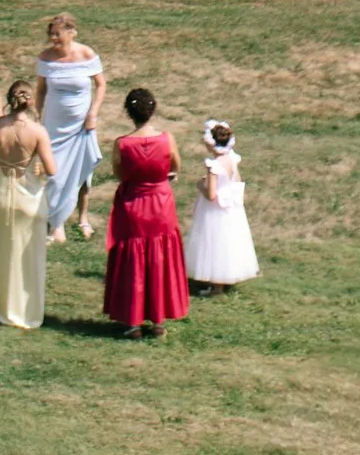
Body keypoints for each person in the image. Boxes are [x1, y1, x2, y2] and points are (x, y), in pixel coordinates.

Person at [102, 86, 189, 338]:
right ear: (152, 110)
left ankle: (132, 321)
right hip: (161, 205)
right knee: (159, 258)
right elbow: (176, 165)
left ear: (129, 113)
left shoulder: (122, 144)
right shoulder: (167, 138)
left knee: (133, 262)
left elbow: (120, 174)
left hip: (134, 205)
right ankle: (159, 319)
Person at [0, 75, 55, 330]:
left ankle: (6, 310)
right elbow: (52, 169)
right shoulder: (37, 132)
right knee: (31, 257)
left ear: (9, 100)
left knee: (5, 256)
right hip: (29, 200)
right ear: (29, 103)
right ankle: (29, 312)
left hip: (1, 198)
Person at [34, 10, 106, 243]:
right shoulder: (46, 58)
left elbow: (101, 85)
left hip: (81, 124)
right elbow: (41, 90)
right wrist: (38, 116)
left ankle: (82, 218)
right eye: (51, 35)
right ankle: (56, 222)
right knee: (54, 173)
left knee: (82, 172)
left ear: (71, 33)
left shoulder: (86, 54)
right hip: (54, 124)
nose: (54, 39)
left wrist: (93, 113)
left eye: (58, 35)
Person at [184, 118, 259, 293]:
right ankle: (225, 280)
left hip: (214, 210)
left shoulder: (214, 165)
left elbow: (211, 194)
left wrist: (200, 185)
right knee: (228, 242)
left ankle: (216, 284)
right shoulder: (232, 159)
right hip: (230, 209)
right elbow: (237, 181)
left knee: (214, 243)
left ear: (211, 144)